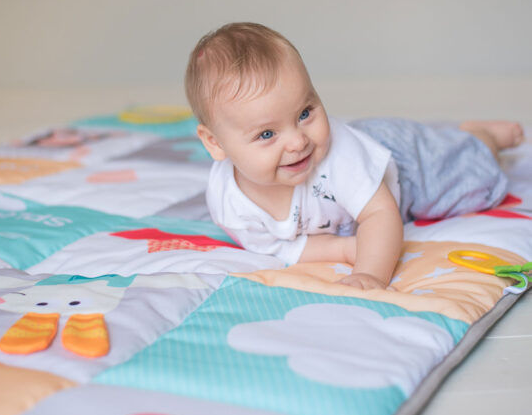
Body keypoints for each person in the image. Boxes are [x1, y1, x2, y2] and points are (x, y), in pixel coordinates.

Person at [184, 22, 524, 289]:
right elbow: (279, 247)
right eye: (267, 134)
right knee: (443, 145)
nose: (298, 142)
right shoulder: (230, 205)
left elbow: (380, 213)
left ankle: (484, 138)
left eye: (305, 113)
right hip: (363, 165)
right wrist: (343, 249)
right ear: (215, 143)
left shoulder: (339, 158)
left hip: (403, 165)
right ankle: (459, 135)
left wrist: (370, 274)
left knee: (472, 179)